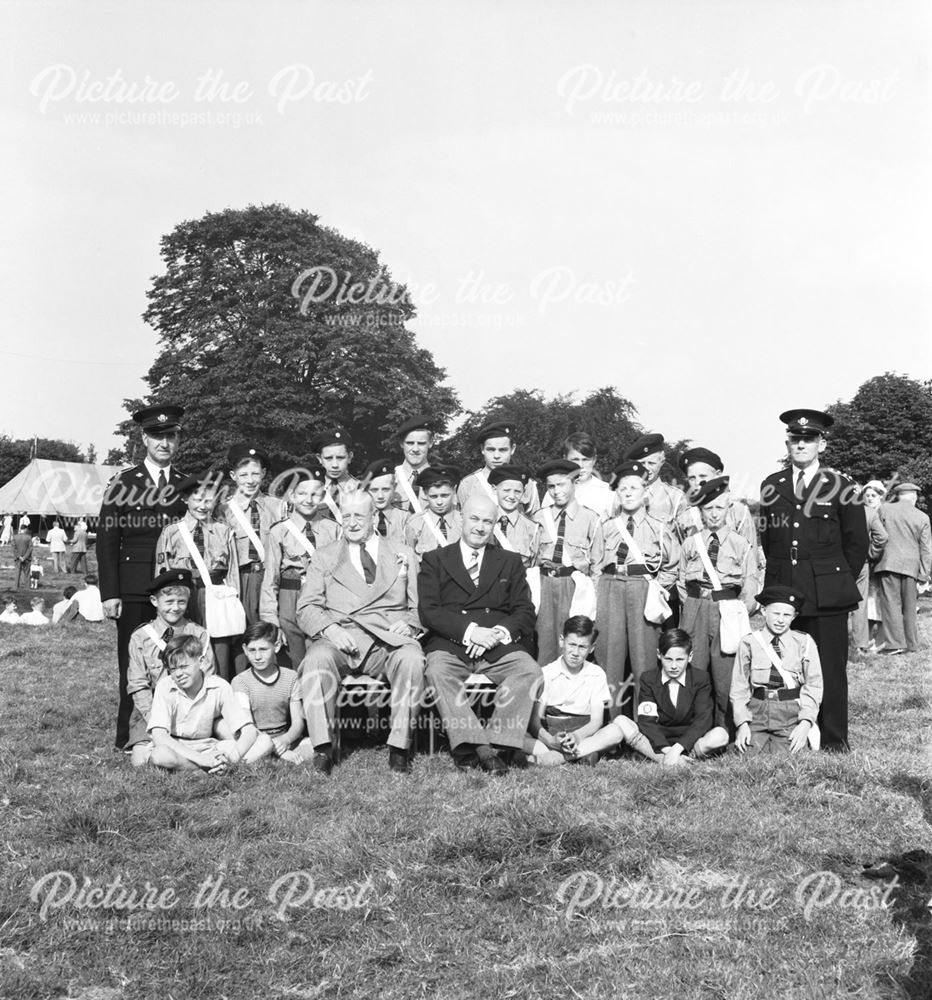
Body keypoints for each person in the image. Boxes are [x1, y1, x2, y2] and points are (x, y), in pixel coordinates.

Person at [758, 409, 867, 752]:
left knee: (830, 667)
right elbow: (768, 538)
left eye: (808, 439)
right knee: (785, 664)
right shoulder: (772, 485)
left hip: (826, 590)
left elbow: (856, 542)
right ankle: (791, 735)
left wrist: (835, 578)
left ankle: (834, 739)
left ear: (822, 443)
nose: (801, 444)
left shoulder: (842, 485)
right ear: (787, 442)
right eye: (795, 439)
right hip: (785, 585)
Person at [296, 491, 426, 775]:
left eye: (359, 516)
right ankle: (323, 748)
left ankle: (399, 748)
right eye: (346, 516)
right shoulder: (325, 556)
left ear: (374, 516)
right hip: (342, 638)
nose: (352, 523)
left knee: (412, 660)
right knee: (316, 661)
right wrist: (329, 629)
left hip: (387, 642)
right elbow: (306, 608)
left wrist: (411, 623)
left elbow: (420, 606)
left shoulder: (402, 552)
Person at [419, 493, 541, 774]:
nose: (480, 527)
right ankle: (475, 746)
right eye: (474, 518)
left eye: (488, 521)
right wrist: (471, 632)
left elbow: (524, 609)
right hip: (452, 642)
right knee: (437, 672)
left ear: (495, 524)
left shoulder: (509, 561)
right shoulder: (436, 559)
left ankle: (499, 744)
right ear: (461, 516)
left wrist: (496, 633)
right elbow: (429, 611)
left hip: (496, 644)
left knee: (529, 671)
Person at [97, 403, 188, 750]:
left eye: (171, 436)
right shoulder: (123, 482)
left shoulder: (185, 484)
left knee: (178, 658)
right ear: (144, 439)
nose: (164, 443)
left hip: (175, 586)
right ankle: (130, 735)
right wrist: (110, 593)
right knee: (133, 663)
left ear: (178, 440)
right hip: (134, 588)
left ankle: (175, 730)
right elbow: (107, 540)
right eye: (157, 436)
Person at [596, 460, 679, 719]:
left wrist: (657, 589)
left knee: (644, 661)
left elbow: (673, 565)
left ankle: (645, 726)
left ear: (645, 492)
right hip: (611, 588)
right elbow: (596, 564)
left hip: (643, 590)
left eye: (634, 487)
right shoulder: (606, 527)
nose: (629, 493)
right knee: (609, 659)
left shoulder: (660, 526)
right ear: (617, 494)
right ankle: (610, 728)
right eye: (623, 489)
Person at [676, 476, 760, 731]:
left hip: (728, 612)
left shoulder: (741, 545)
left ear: (728, 510)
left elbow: (750, 586)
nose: (714, 514)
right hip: (695, 609)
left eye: (719, 508)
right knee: (694, 671)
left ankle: (728, 732)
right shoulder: (691, 544)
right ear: (700, 511)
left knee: (726, 675)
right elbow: (681, 581)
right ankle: (695, 730)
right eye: (708, 508)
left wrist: (737, 614)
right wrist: (693, 606)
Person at [573, 628, 729, 765]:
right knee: (621, 721)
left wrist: (678, 748)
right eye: (668, 659)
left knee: (720, 735)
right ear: (659, 655)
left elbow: (703, 719)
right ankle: (665, 759)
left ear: (690, 657)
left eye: (680, 659)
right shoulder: (649, 679)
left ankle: (688, 755)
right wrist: (667, 750)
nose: (674, 666)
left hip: (689, 740)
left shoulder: (700, 678)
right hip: (657, 742)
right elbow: (647, 721)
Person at [525, 615, 654, 765]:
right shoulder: (547, 673)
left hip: (583, 733)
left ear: (591, 648)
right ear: (562, 641)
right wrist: (550, 740)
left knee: (615, 732)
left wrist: (577, 736)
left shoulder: (596, 674)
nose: (575, 652)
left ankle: (554, 758)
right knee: (518, 734)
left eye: (582, 647)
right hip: (552, 732)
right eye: (571, 644)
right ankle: (579, 755)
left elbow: (596, 721)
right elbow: (535, 721)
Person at [155, 472, 240, 680]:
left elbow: (233, 572)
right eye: (198, 499)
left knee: (219, 650)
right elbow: (162, 573)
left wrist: (233, 600)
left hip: (217, 597)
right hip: (186, 596)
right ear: (186, 499)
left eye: (209, 500)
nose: (203, 505)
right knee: (187, 645)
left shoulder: (224, 531)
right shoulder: (172, 532)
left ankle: (219, 694)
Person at [126, 569, 215, 760]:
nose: (175, 608)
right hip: (150, 712)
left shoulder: (198, 634)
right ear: (154, 602)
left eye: (181, 602)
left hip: (191, 710)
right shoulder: (141, 637)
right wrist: (155, 720)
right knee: (140, 760)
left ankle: (190, 760)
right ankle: (190, 761)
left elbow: (207, 676)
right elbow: (137, 683)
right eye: (169, 602)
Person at [138, 634, 257, 772]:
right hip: (175, 745)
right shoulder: (165, 686)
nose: (178, 674)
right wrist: (202, 760)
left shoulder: (219, 686)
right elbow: (159, 736)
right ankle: (206, 769)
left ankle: (220, 766)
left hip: (208, 745)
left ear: (201, 661)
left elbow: (248, 730)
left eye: (184, 666)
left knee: (264, 741)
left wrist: (231, 759)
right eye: (173, 669)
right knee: (160, 755)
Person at [260, 465, 339, 668]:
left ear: (322, 496)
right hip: (290, 598)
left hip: (323, 599)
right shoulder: (280, 531)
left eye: (315, 494)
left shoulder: (333, 529)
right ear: (292, 496)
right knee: (294, 659)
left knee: (321, 656)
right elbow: (271, 578)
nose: (309, 499)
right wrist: (272, 620)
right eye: (302, 493)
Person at [732, 585, 823, 756]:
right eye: (776, 613)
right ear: (764, 611)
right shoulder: (749, 642)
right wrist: (742, 724)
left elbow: (814, 686)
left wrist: (805, 724)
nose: (781, 620)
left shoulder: (804, 642)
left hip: (789, 713)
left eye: (787, 615)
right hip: (757, 711)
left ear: (794, 616)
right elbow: (739, 687)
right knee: (747, 757)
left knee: (790, 760)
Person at [533, 460, 603, 665]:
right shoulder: (539, 517)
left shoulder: (591, 518)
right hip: (545, 584)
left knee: (573, 645)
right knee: (543, 646)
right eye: (551, 486)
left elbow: (597, 565)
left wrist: (593, 601)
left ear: (575, 483)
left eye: (562, 484)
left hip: (575, 586)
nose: (556, 491)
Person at [222, 444, 287, 628]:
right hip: (242, 579)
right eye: (243, 475)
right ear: (233, 476)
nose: (250, 481)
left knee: (272, 630)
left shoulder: (278, 507)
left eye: (255, 474)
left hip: (272, 578)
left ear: (264, 473)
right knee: (243, 631)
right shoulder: (224, 511)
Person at [231, 621, 313, 764]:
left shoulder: (291, 677)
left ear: (276, 646)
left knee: (313, 746)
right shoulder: (240, 681)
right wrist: (271, 746)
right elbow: (247, 727)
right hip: (255, 741)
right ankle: (273, 757)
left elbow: (298, 722)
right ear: (244, 649)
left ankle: (272, 759)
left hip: (282, 738)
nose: (257, 656)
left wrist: (285, 740)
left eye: (263, 649)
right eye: (252, 650)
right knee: (247, 746)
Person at [874, 483, 931, 654]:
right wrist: (924, 574)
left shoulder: (884, 509)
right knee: (910, 606)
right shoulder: (922, 517)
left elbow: (877, 535)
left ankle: (895, 644)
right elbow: (927, 549)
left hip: (888, 562)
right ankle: (912, 644)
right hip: (911, 566)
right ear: (914, 498)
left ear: (898, 496)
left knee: (891, 604)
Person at [676, 447, 758, 549]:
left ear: (718, 475)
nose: (697, 482)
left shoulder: (737, 512)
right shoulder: (685, 517)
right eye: (692, 478)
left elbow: (750, 556)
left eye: (703, 476)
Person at [458, 420, 540, 515]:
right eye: (491, 450)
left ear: (512, 449)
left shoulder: (527, 484)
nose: (496, 456)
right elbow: (461, 523)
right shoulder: (468, 484)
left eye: (502, 450)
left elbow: (536, 523)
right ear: (482, 449)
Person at [850, 480, 888, 652]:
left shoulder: (832, 512)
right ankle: (860, 644)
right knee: (860, 604)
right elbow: (882, 537)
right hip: (861, 563)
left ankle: (836, 642)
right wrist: (870, 553)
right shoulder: (868, 513)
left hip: (836, 562)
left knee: (835, 603)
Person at [622, 433, 688, 531]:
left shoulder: (676, 498)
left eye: (651, 463)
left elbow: (687, 540)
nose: (647, 468)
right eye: (642, 463)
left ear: (662, 462)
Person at [404, 466, 463, 561]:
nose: (439, 502)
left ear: (454, 490)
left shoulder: (463, 522)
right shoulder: (416, 523)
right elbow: (410, 560)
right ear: (425, 494)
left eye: (444, 496)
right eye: (433, 496)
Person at [488, 465, 541, 567]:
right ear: (494, 489)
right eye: (506, 490)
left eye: (517, 491)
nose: (512, 496)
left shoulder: (532, 528)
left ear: (524, 492)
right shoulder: (484, 522)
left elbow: (534, 566)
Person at [393, 414, 438, 513]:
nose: (415, 449)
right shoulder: (391, 478)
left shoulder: (439, 479)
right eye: (410, 443)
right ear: (401, 443)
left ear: (430, 443)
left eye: (421, 443)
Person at [313, 428, 360, 524]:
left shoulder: (362, 489)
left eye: (340, 458)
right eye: (328, 458)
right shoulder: (310, 492)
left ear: (350, 457)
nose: (335, 465)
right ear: (319, 458)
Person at [363, 459, 409, 542]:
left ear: (394, 487)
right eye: (374, 490)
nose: (380, 496)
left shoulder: (404, 518)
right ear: (366, 490)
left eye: (385, 489)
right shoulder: (361, 517)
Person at [12, 523, 33, 590]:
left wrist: (19, 556)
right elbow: (30, 548)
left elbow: (14, 548)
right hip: (27, 558)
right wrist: (25, 557)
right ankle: (27, 587)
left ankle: (16, 587)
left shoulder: (15, 537)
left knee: (17, 573)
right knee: (27, 573)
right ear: (25, 529)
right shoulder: (28, 537)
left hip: (18, 558)